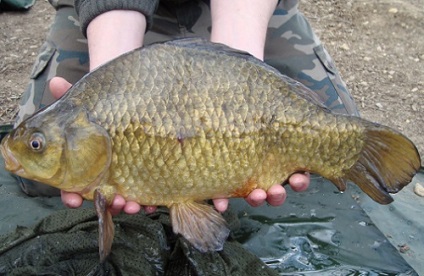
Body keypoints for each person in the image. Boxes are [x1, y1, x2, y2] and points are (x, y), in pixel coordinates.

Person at [14, 0, 358, 214]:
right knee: (41, 182)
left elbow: (236, 64)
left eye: (36, 144)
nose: (33, 146)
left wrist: (237, 67)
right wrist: (113, 70)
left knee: (340, 143)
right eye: (36, 144)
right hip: (106, 9)